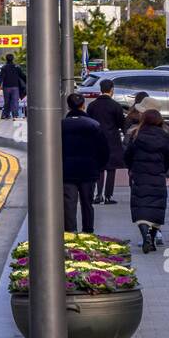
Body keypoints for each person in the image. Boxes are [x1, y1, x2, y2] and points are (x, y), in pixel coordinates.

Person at [124, 108, 169, 253]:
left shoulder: (136, 135)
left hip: (139, 176)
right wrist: (165, 169)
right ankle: (152, 239)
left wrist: (131, 167)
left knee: (140, 209)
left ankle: (144, 236)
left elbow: (127, 155)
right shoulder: (164, 136)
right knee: (156, 209)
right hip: (157, 176)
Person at [61, 94, 108, 234]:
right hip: (88, 171)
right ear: (83, 105)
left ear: (68, 106)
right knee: (87, 203)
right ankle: (88, 232)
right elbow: (104, 150)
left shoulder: (60, 125)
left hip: (67, 171)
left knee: (69, 204)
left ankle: (70, 232)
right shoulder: (94, 125)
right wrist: (98, 167)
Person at [86, 78, 126, 204]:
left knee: (99, 168)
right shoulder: (116, 106)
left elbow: (89, 121)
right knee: (111, 168)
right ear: (112, 90)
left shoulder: (92, 105)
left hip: (96, 139)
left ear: (101, 89)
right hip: (112, 139)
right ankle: (108, 196)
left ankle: (98, 195)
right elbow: (121, 123)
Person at [0, 54, 26, 119]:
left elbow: (1, 77)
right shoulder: (17, 67)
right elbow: (22, 76)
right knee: (15, 101)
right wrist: (28, 81)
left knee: (7, 101)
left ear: (6, 59)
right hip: (15, 87)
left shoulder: (4, 67)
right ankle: (15, 115)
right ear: (13, 59)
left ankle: (5, 115)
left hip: (6, 87)